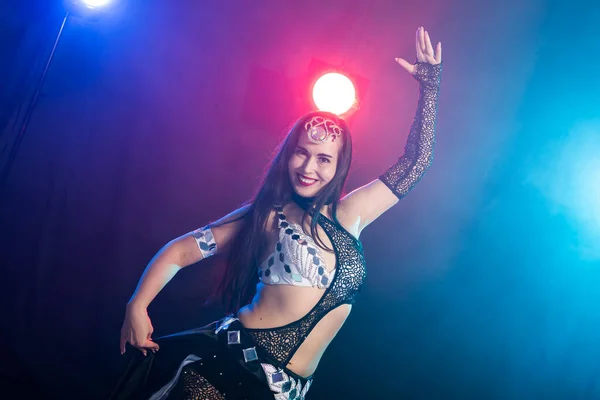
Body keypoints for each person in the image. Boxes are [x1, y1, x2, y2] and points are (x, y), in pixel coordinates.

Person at [110, 26, 442, 400]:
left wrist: (429, 88)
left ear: (339, 166)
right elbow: (180, 251)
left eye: (323, 159)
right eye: (301, 152)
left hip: (286, 392)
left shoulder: (352, 213)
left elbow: (416, 162)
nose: (309, 167)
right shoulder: (266, 215)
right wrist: (136, 305)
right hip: (228, 367)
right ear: (288, 154)